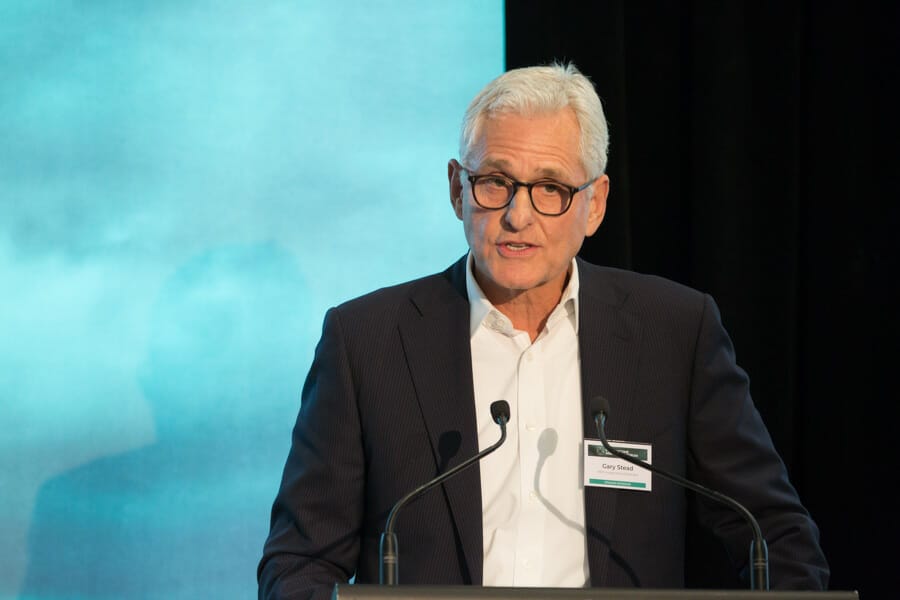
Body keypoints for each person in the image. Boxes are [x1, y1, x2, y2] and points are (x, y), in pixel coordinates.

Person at [258, 63, 829, 599]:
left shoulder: (674, 334)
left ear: (595, 204)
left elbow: (774, 536)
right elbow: (298, 563)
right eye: (495, 182)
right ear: (457, 189)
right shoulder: (367, 343)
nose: (518, 215)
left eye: (551, 188)